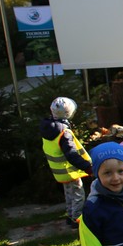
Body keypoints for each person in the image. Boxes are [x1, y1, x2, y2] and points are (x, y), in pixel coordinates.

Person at [40, 96, 92, 226]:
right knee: (78, 194)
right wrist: (86, 166)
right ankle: (77, 219)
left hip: (59, 170)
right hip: (69, 170)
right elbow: (72, 154)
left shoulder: (48, 126)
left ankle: (69, 216)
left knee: (69, 194)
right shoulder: (63, 132)